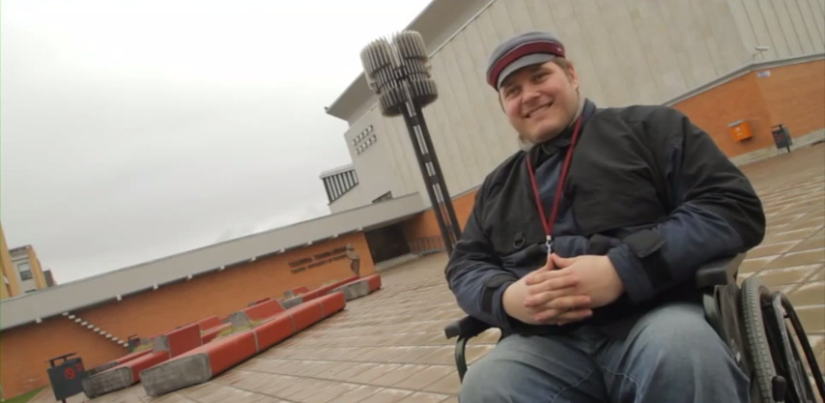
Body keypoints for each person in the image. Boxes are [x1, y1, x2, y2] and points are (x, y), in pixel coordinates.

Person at [444, 31, 766, 403]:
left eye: (539, 77)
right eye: (512, 91)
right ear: (505, 108)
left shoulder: (652, 130)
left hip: (651, 318)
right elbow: (465, 265)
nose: (528, 96)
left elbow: (730, 206)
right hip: (546, 346)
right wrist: (506, 298)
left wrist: (622, 270)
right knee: (486, 385)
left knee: (684, 351)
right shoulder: (497, 187)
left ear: (572, 75)